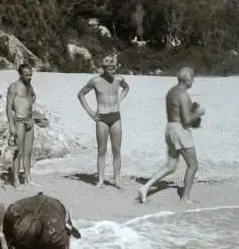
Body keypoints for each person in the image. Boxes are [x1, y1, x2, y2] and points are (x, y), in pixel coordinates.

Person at [138, 67, 205, 204]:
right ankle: (185, 198)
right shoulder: (184, 95)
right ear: (187, 79)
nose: (193, 80)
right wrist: (199, 113)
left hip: (169, 128)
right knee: (193, 165)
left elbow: (177, 113)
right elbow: (186, 120)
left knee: (171, 165)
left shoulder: (171, 92)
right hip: (179, 130)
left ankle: (145, 187)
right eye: (192, 78)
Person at [77, 54, 130, 189]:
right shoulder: (95, 81)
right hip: (102, 118)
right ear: (104, 68)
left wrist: (120, 100)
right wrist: (90, 112)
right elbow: (81, 94)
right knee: (101, 150)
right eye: (110, 68)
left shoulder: (119, 79)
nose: (113, 71)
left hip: (116, 117)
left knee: (116, 150)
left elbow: (127, 88)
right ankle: (100, 180)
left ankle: (117, 179)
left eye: (114, 68)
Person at [6, 63, 38, 188]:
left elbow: (33, 96)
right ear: (20, 74)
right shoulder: (13, 87)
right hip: (19, 120)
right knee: (18, 151)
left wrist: (29, 103)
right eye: (26, 75)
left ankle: (28, 178)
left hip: (29, 120)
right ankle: (16, 180)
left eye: (30, 75)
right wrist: (11, 125)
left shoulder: (29, 85)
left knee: (28, 152)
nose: (29, 77)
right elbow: (8, 108)